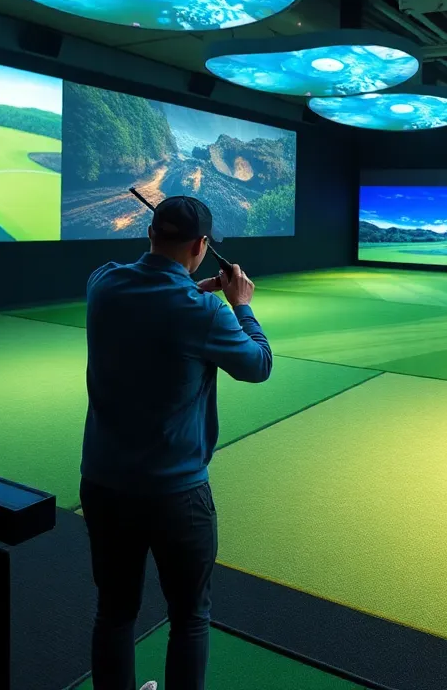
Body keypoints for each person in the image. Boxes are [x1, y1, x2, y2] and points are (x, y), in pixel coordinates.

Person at [79, 196, 273, 690]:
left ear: (150, 233)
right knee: (189, 618)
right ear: (201, 246)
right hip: (175, 494)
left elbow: (153, 302)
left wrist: (196, 290)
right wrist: (241, 306)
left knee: (114, 612)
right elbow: (258, 364)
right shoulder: (205, 313)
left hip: (103, 485)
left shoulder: (102, 284)